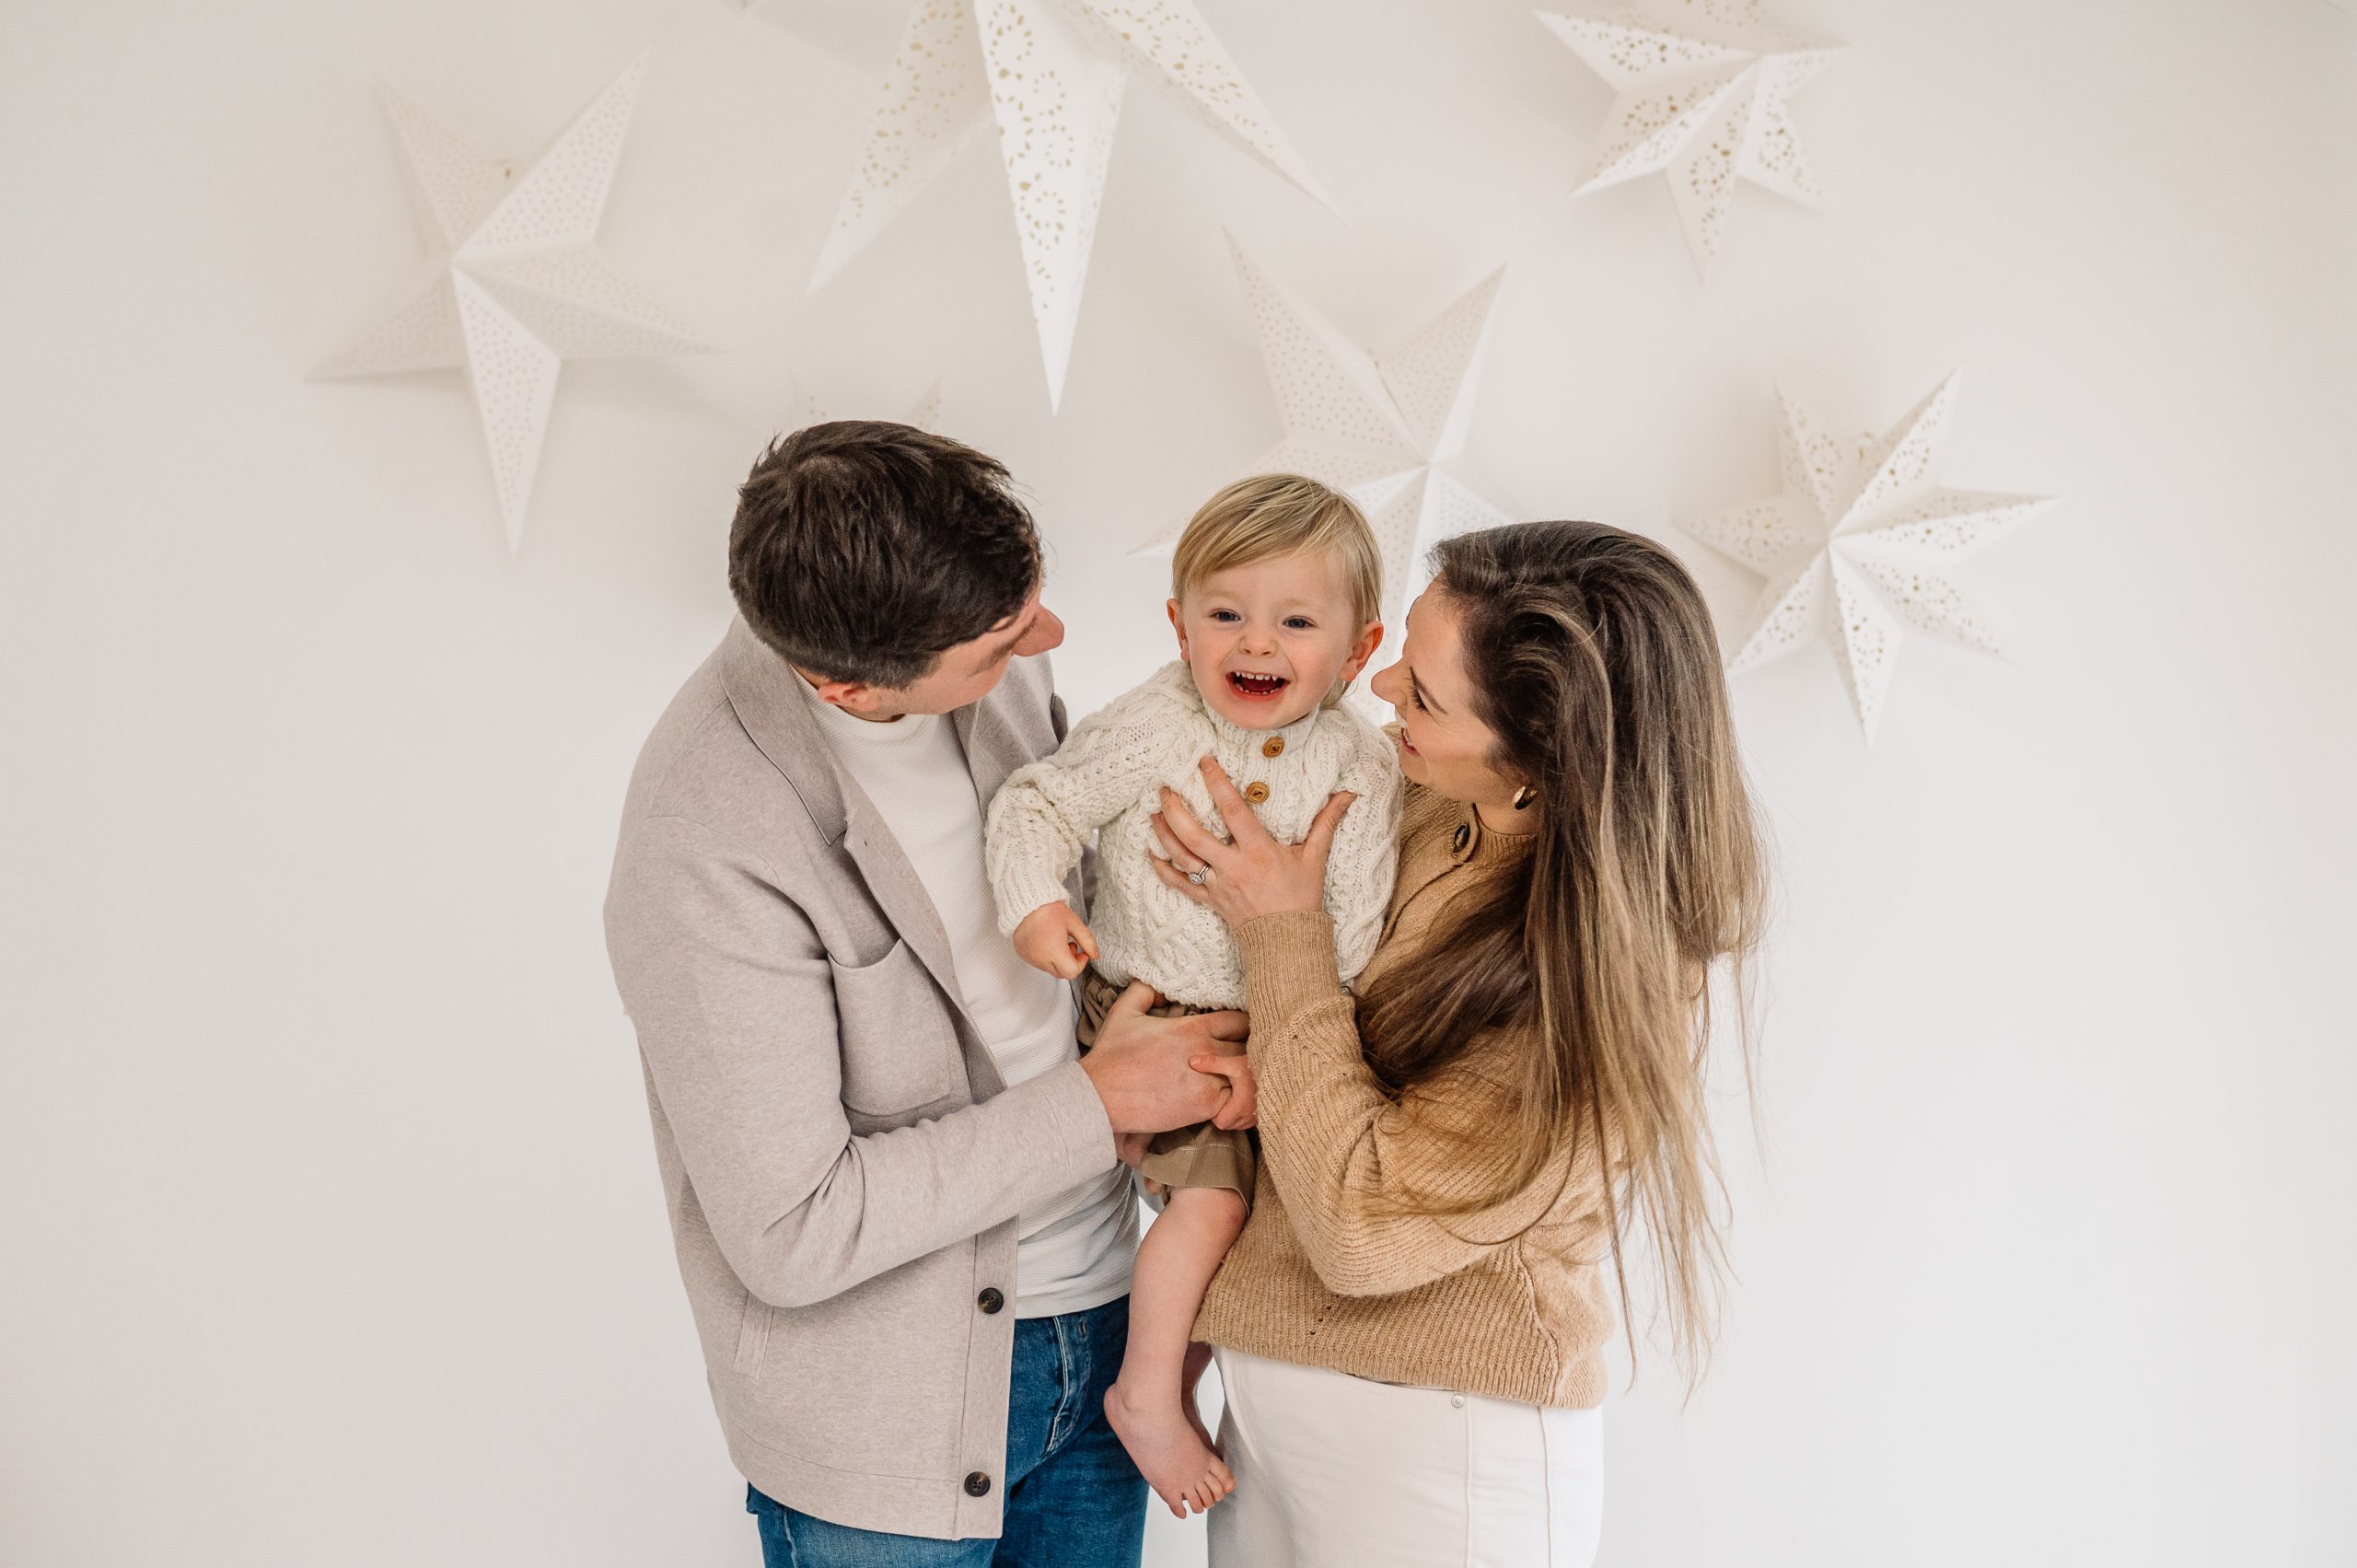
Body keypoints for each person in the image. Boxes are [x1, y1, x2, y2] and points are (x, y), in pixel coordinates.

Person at [603, 422, 1254, 1568]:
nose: (1049, 637)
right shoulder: (704, 838)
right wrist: (1100, 1105)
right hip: (885, 1432)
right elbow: (793, 1229)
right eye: (1005, 641)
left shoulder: (980, 644)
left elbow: (1065, 888)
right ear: (845, 681)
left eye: (1033, 602)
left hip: (1107, 1348)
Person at [1148, 520, 1769, 1568]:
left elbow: (1360, 1225)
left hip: (1442, 1457)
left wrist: (1279, 935)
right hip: (1274, 1421)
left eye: (1426, 696)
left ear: (1540, 754)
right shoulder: (1438, 803)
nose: (1382, 685)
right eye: (1407, 658)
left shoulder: (1607, 976)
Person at [983, 474, 1402, 1518]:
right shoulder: (1158, 721)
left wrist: (1286, 1051)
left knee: (1263, 1220)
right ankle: (1145, 1392)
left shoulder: (1361, 762)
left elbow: (1351, 930)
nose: (1254, 643)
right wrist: (1035, 903)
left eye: (1296, 621)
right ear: (1177, 624)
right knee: (1213, 1201)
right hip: (1142, 1006)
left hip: (1268, 1030)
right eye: (1225, 613)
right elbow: (1043, 797)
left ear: (1358, 650)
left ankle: (1171, 1379)